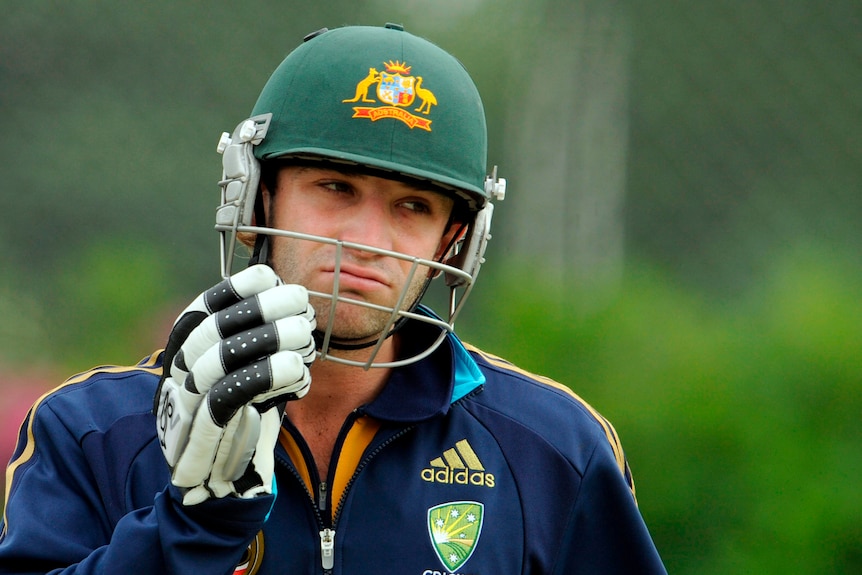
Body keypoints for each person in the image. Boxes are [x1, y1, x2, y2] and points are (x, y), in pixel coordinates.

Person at [0, 23, 666, 574]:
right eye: (336, 188)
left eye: (412, 205)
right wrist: (192, 526)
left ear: (454, 241)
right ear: (260, 195)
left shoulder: (554, 448)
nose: (368, 239)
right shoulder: (89, 431)